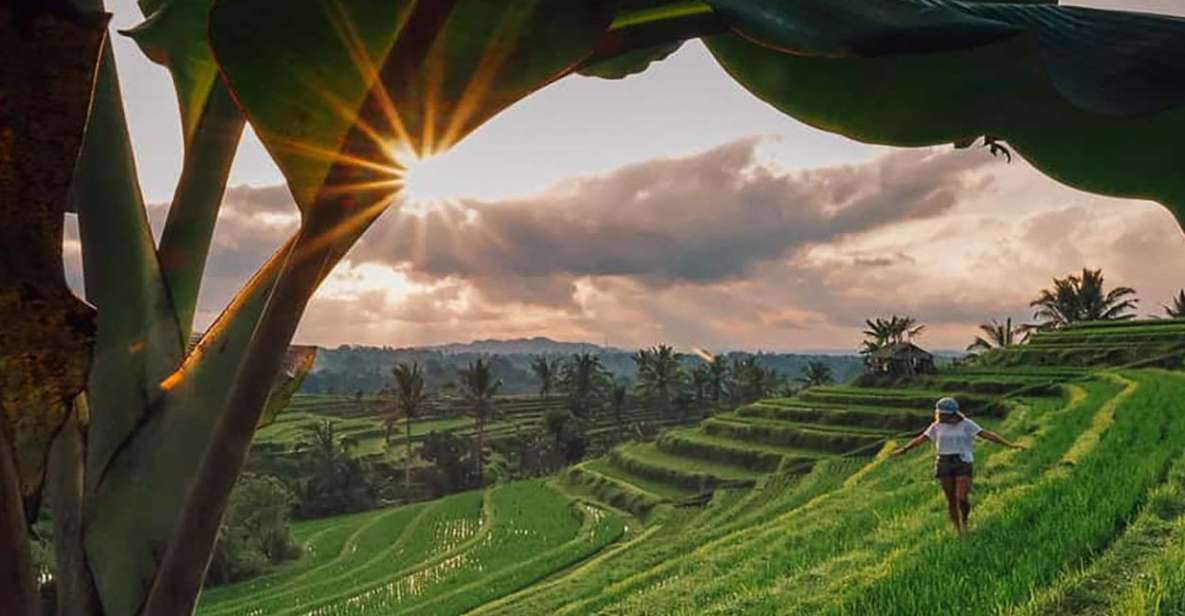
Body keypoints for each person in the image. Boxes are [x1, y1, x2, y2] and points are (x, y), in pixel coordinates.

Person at [890, 397, 1023, 533]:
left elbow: (987, 435)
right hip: (944, 462)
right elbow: (920, 439)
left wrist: (1009, 445)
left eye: (943, 414)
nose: (940, 416)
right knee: (951, 499)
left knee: (962, 498)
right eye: (939, 413)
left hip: (962, 461)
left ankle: (965, 522)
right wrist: (904, 450)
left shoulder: (966, 424)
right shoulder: (936, 426)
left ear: (952, 413)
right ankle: (958, 529)